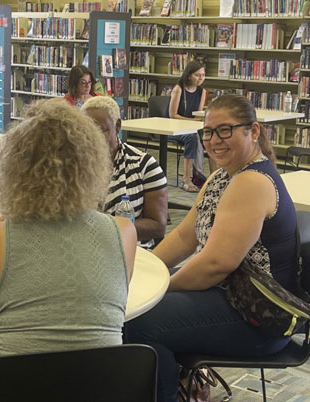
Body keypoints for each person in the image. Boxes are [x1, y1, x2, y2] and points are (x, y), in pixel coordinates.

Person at [125, 94, 297, 402]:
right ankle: (179, 386)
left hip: (258, 319)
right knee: (137, 315)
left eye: (225, 130)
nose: (213, 140)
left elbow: (214, 265)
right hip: (229, 295)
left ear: (253, 131)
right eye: (208, 132)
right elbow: (183, 238)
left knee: (134, 325)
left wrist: (157, 291)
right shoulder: (222, 176)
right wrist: (139, 271)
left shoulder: (252, 182)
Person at [0, 98, 137, 356]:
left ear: (14, 168)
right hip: (103, 387)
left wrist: (5, 218)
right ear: (92, 165)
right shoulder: (123, 231)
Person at [82, 96, 168, 248]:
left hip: (130, 250)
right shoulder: (71, 166)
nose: (94, 138)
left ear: (118, 126)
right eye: (87, 131)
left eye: (102, 129)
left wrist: (106, 228)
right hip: (84, 249)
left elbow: (158, 226)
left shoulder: (144, 165)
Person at [167, 60, 211, 192]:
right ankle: (187, 179)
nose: (201, 78)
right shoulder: (179, 89)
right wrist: (191, 121)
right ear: (189, 75)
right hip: (173, 128)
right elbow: (172, 115)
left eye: (203, 75)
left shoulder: (202, 91)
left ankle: (211, 178)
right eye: (197, 75)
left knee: (212, 136)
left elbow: (198, 114)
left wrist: (195, 122)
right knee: (193, 138)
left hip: (191, 127)